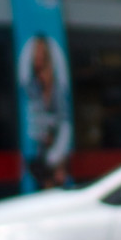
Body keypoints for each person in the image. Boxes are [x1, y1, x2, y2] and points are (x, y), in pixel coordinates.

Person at [25, 35, 72, 190]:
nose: (42, 75)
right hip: (42, 155)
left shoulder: (57, 92)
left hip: (53, 152)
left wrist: (56, 157)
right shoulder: (33, 89)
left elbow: (64, 123)